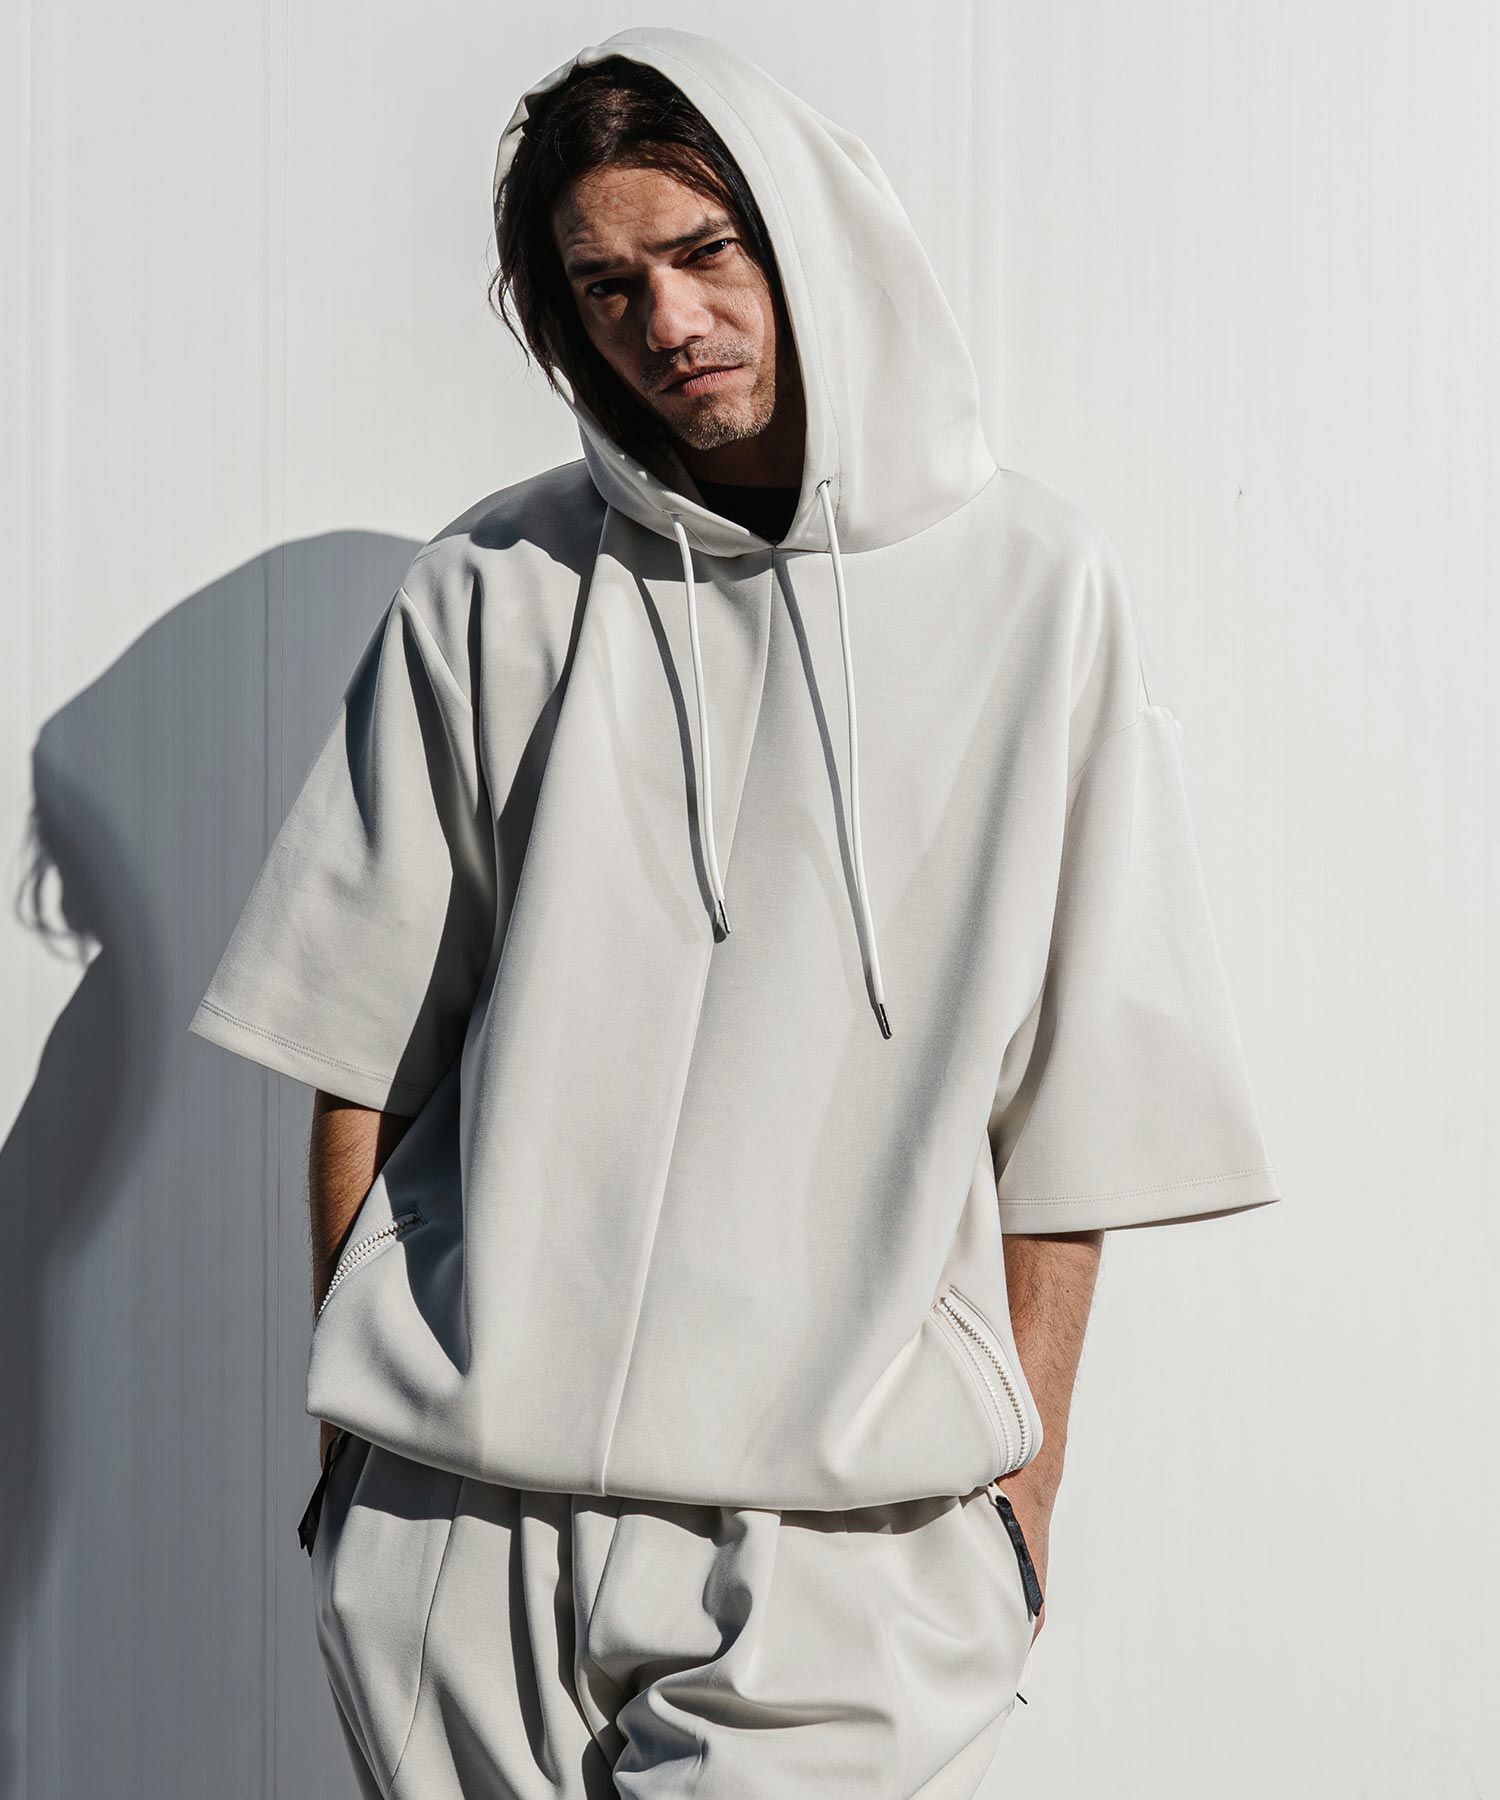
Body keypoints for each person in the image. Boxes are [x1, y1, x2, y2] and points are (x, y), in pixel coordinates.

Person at [187, 25, 1283, 1799]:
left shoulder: (1036, 591)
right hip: (464, 1522)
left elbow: (1081, 1101)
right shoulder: (493, 584)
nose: (668, 322)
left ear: (810, 237)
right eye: (606, 285)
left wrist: (1025, 1504)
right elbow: (360, 1038)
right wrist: (352, 1473)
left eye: (706, 254)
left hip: (851, 1536)